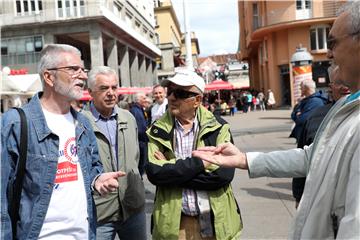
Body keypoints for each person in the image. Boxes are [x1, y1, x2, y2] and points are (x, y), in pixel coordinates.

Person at [193, 2, 360, 239]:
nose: (329, 53)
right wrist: (244, 160)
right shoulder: (347, 106)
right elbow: (312, 156)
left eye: (332, 42)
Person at [1, 44, 125, 240]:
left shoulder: (83, 123)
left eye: (82, 70)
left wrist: (96, 180)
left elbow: (91, 167)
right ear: (49, 77)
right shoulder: (15, 123)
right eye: (73, 69)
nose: (83, 76)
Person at [146, 68, 243, 239]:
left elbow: (222, 176)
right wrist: (201, 164)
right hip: (175, 225)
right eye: (170, 91)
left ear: (197, 100)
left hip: (215, 221)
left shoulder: (219, 127)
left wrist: (173, 170)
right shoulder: (157, 130)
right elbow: (156, 174)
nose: (171, 97)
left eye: (180, 93)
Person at [82, 66, 146, 240]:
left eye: (114, 87)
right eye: (104, 88)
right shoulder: (80, 122)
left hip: (133, 206)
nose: (111, 93)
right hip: (99, 212)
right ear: (90, 92)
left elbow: (137, 158)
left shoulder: (128, 117)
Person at [292, 65, 350, 208]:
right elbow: (304, 156)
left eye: (349, 81)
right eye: (339, 82)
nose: (345, 87)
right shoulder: (317, 116)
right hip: (325, 201)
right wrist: (299, 195)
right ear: (330, 87)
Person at [130, 92, 148, 176]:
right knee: (140, 166)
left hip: (142, 142)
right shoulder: (135, 110)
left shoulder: (139, 109)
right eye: (144, 98)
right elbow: (140, 129)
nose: (146, 100)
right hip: (140, 142)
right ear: (139, 100)